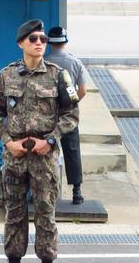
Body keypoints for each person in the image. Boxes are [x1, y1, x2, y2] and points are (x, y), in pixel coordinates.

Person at [0, 19, 80, 263]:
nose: (39, 43)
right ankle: (14, 258)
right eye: (33, 39)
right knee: (14, 214)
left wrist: (50, 141)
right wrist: (9, 142)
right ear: (21, 43)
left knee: (46, 213)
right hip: (15, 158)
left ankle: (47, 258)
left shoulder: (59, 76)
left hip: (44, 158)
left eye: (43, 39)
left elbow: (72, 114)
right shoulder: (5, 76)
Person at [45, 25, 88, 205]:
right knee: (72, 151)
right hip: (68, 115)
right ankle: (76, 192)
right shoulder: (75, 62)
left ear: (48, 42)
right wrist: (70, 104)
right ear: (65, 41)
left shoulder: (43, 62)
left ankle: (47, 193)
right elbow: (83, 91)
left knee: (47, 151)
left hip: (47, 114)